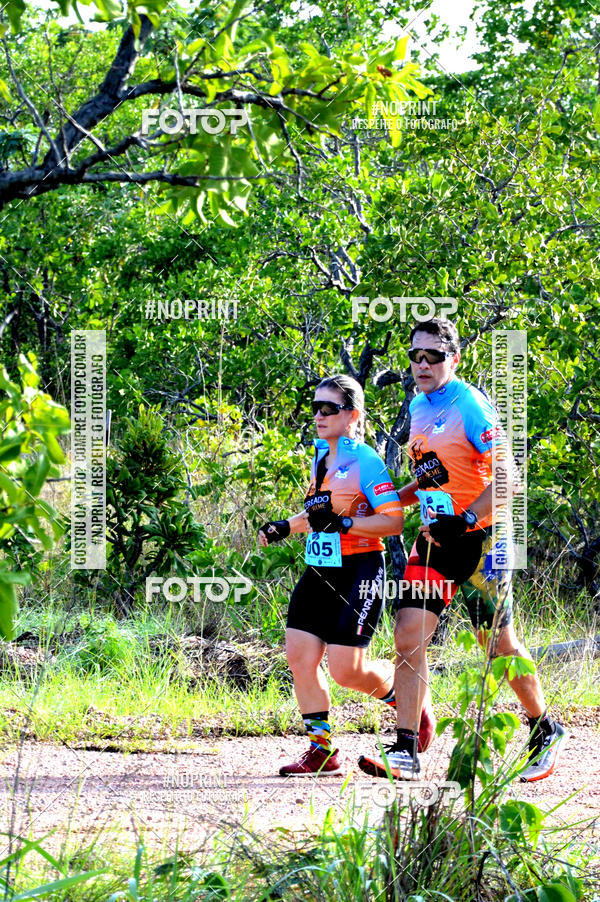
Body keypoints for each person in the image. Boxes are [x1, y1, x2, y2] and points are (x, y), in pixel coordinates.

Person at [358, 318, 568, 782]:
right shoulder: (417, 406)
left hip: (483, 541)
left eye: (433, 355)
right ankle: (406, 750)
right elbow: (435, 476)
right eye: (415, 355)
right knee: (408, 638)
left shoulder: (471, 405)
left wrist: (467, 518)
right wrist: (387, 498)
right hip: (435, 541)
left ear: (454, 358)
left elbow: (510, 478)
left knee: (497, 645)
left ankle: (543, 726)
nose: (422, 364)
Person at [258, 374, 434, 776]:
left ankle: (409, 702)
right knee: (300, 657)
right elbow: (321, 513)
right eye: (315, 407)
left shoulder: (366, 460)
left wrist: (344, 526)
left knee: (345, 670)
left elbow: (392, 522)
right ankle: (321, 751)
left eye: (328, 409)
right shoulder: (321, 453)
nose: (318, 415)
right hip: (320, 568)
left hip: (359, 570)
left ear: (352, 415)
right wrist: (286, 525)